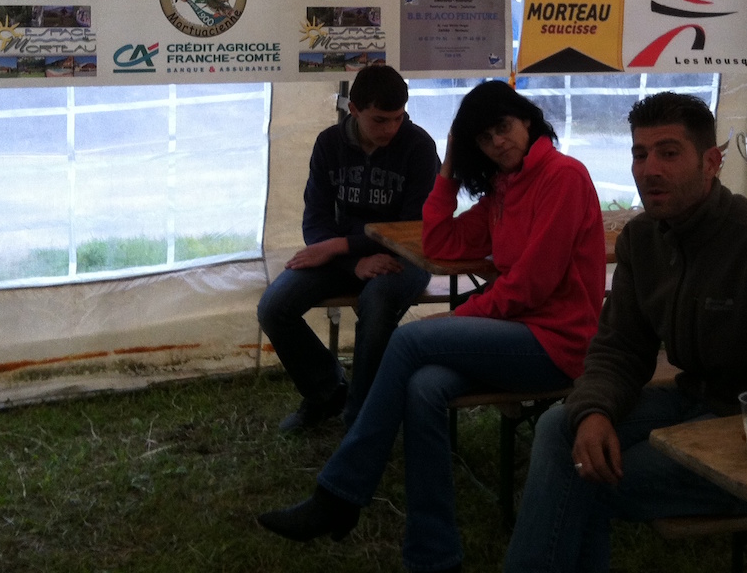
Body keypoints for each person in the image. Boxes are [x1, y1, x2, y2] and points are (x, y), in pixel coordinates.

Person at [505, 92, 747, 573]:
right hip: (693, 399)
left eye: (668, 153)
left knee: (595, 474)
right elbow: (620, 348)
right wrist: (595, 410)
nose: (649, 170)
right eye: (640, 154)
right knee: (562, 428)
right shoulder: (643, 238)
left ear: (711, 163)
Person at [258, 81, 607, 573]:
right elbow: (440, 242)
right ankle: (433, 555)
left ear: (527, 121)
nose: (498, 142)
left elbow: (531, 286)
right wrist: (448, 172)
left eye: (503, 128)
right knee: (423, 388)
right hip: (513, 335)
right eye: (484, 139)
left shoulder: (563, 177)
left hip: (558, 342)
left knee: (410, 341)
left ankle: (339, 494)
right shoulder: (504, 188)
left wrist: (458, 319)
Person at [257, 63, 440, 432]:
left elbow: (412, 227)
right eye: (380, 120)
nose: (391, 129)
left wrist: (343, 246)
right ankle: (326, 392)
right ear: (353, 110)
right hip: (343, 257)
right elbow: (315, 220)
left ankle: (362, 419)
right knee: (274, 307)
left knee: (377, 302)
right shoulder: (329, 143)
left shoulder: (419, 147)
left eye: (398, 118)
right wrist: (352, 260)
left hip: (405, 255)